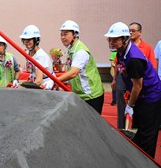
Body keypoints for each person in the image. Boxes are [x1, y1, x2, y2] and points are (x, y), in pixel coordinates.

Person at [105, 22, 161, 157]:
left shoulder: (134, 59)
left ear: (125, 39)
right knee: (137, 130)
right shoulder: (120, 52)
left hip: (150, 97)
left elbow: (138, 86)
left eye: (116, 39)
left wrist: (129, 105)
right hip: (140, 96)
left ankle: (147, 162)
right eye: (110, 39)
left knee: (146, 134)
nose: (112, 42)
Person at [57, 20, 104, 114]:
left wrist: (55, 80)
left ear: (75, 34)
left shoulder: (80, 51)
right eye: (61, 34)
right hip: (80, 95)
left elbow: (73, 72)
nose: (63, 37)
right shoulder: (71, 49)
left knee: (91, 126)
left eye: (66, 34)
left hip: (91, 95)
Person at [19, 25, 54, 90]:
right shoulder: (29, 52)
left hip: (44, 84)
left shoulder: (40, 56)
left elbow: (38, 81)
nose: (26, 42)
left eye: (29, 40)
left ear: (36, 40)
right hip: (34, 80)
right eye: (24, 40)